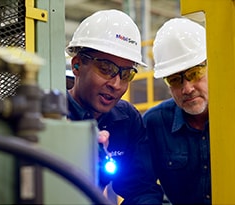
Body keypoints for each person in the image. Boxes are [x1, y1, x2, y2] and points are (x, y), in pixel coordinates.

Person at [143, 17, 235, 204]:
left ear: (212, 67)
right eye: (174, 79)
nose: (187, 88)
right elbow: (142, 186)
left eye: (194, 73)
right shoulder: (154, 122)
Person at [65, 9, 164, 204]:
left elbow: (140, 188)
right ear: (77, 65)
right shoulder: (51, 115)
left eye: (126, 74)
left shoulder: (126, 119)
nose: (116, 84)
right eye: (106, 69)